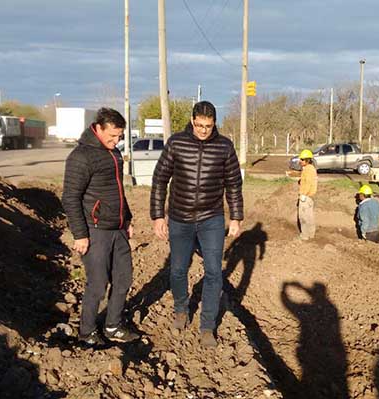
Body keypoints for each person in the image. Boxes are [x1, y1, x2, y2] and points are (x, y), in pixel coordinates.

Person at [150, 101, 243, 348]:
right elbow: (160, 180)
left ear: (215, 123)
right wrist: (158, 216)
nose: (203, 130)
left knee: (214, 272)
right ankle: (181, 309)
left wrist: (236, 216)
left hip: (211, 219)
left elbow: (234, 184)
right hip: (180, 218)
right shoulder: (177, 143)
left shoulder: (224, 147)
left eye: (208, 126)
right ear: (192, 121)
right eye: (199, 125)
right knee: (179, 269)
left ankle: (207, 326)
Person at [61, 107, 139, 346]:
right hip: (95, 231)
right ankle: (87, 332)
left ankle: (113, 325)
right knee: (97, 284)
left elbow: (117, 190)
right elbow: (70, 197)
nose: (116, 141)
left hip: (117, 230)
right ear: (98, 128)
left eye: (119, 137)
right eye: (112, 135)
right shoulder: (81, 157)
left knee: (123, 279)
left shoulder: (113, 153)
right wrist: (80, 235)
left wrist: (126, 220)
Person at [297, 149, 317, 240]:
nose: (300, 161)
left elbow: (308, 183)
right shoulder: (311, 169)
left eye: (302, 159)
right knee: (310, 216)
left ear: (307, 160)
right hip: (310, 196)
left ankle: (305, 235)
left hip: (306, 196)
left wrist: (303, 195)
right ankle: (311, 234)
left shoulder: (308, 170)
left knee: (303, 217)